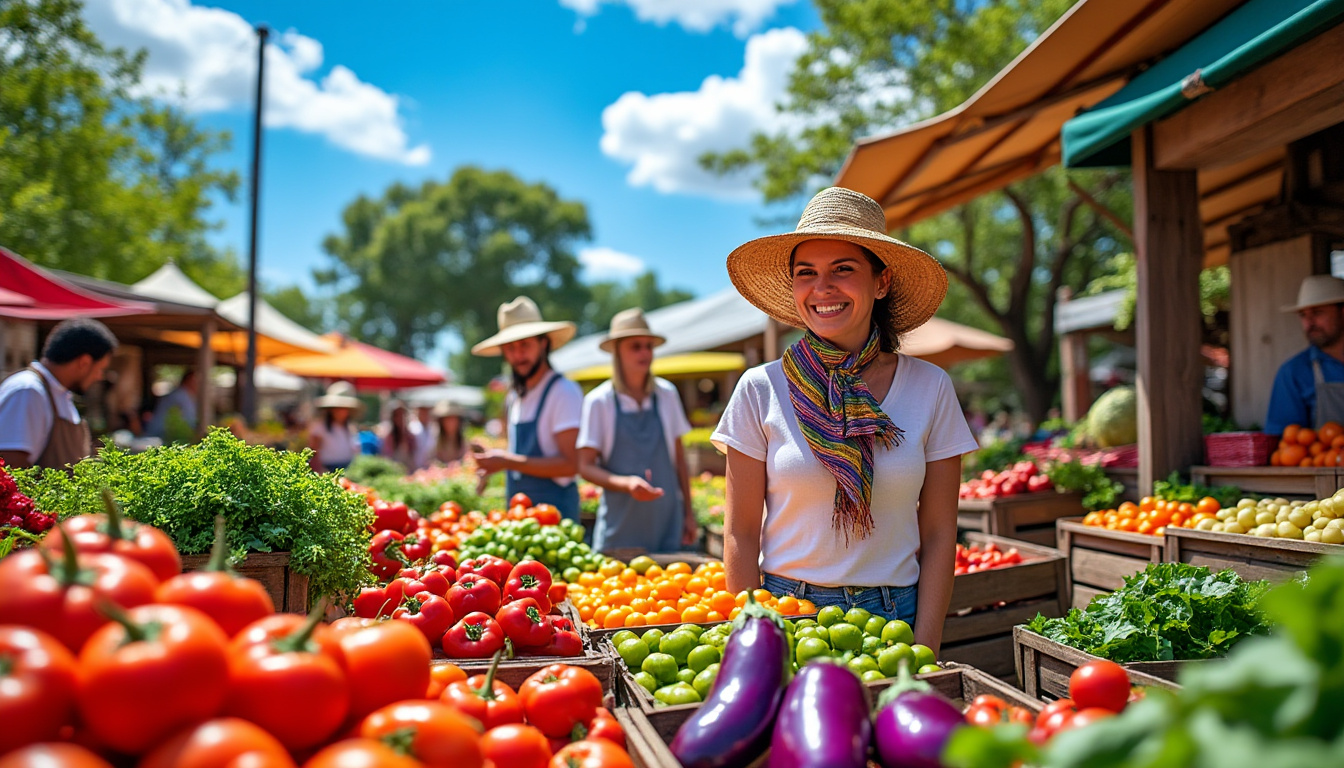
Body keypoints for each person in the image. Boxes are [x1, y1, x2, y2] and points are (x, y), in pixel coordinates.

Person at [711, 186, 978, 653]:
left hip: (896, 618)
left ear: (881, 282)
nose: (822, 288)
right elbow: (740, 531)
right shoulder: (760, 388)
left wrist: (928, 644)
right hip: (785, 613)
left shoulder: (930, 387)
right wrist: (750, 641)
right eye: (806, 273)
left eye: (843, 269)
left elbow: (939, 534)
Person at [578, 308, 697, 554]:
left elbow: (679, 462)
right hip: (620, 527)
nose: (645, 352)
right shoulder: (599, 401)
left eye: (648, 346)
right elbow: (585, 466)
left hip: (667, 522)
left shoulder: (667, 394)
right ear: (617, 352)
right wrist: (625, 483)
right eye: (636, 346)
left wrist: (689, 513)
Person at [470, 296, 583, 520]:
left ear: (544, 343)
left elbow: (571, 465)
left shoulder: (563, 392)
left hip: (556, 521)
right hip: (519, 517)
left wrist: (506, 461)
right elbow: (518, 456)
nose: (518, 354)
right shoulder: (515, 397)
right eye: (510, 348)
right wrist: (491, 465)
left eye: (525, 344)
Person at [0, 318, 118, 470]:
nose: (99, 376)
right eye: (100, 369)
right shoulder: (28, 391)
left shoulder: (58, 394)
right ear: (84, 362)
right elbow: (9, 467)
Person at [1266, 275, 1344, 434]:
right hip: (1324, 459)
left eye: (1317, 313)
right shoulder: (1293, 373)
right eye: (1303, 315)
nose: (1309, 322)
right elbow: (1287, 444)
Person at [308, 381, 362, 473]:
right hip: (327, 469)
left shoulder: (349, 427)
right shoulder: (320, 427)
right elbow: (314, 452)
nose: (341, 411)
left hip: (348, 468)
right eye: (338, 407)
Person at [144, 368, 199, 439]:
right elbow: (190, 420)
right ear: (189, 380)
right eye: (196, 381)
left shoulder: (185, 395)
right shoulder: (180, 396)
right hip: (161, 434)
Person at [379, 399, 418, 469]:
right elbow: (386, 457)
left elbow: (413, 456)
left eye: (402, 415)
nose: (400, 418)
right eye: (397, 415)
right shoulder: (388, 437)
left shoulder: (410, 436)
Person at [430, 400, 469, 465]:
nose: (451, 423)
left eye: (453, 419)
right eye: (448, 419)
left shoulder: (463, 440)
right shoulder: (433, 439)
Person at [410, 403, 435, 470]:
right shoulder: (412, 428)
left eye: (426, 412)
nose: (425, 415)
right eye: (422, 412)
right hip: (415, 467)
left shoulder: (434, 429)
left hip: (430, 468)